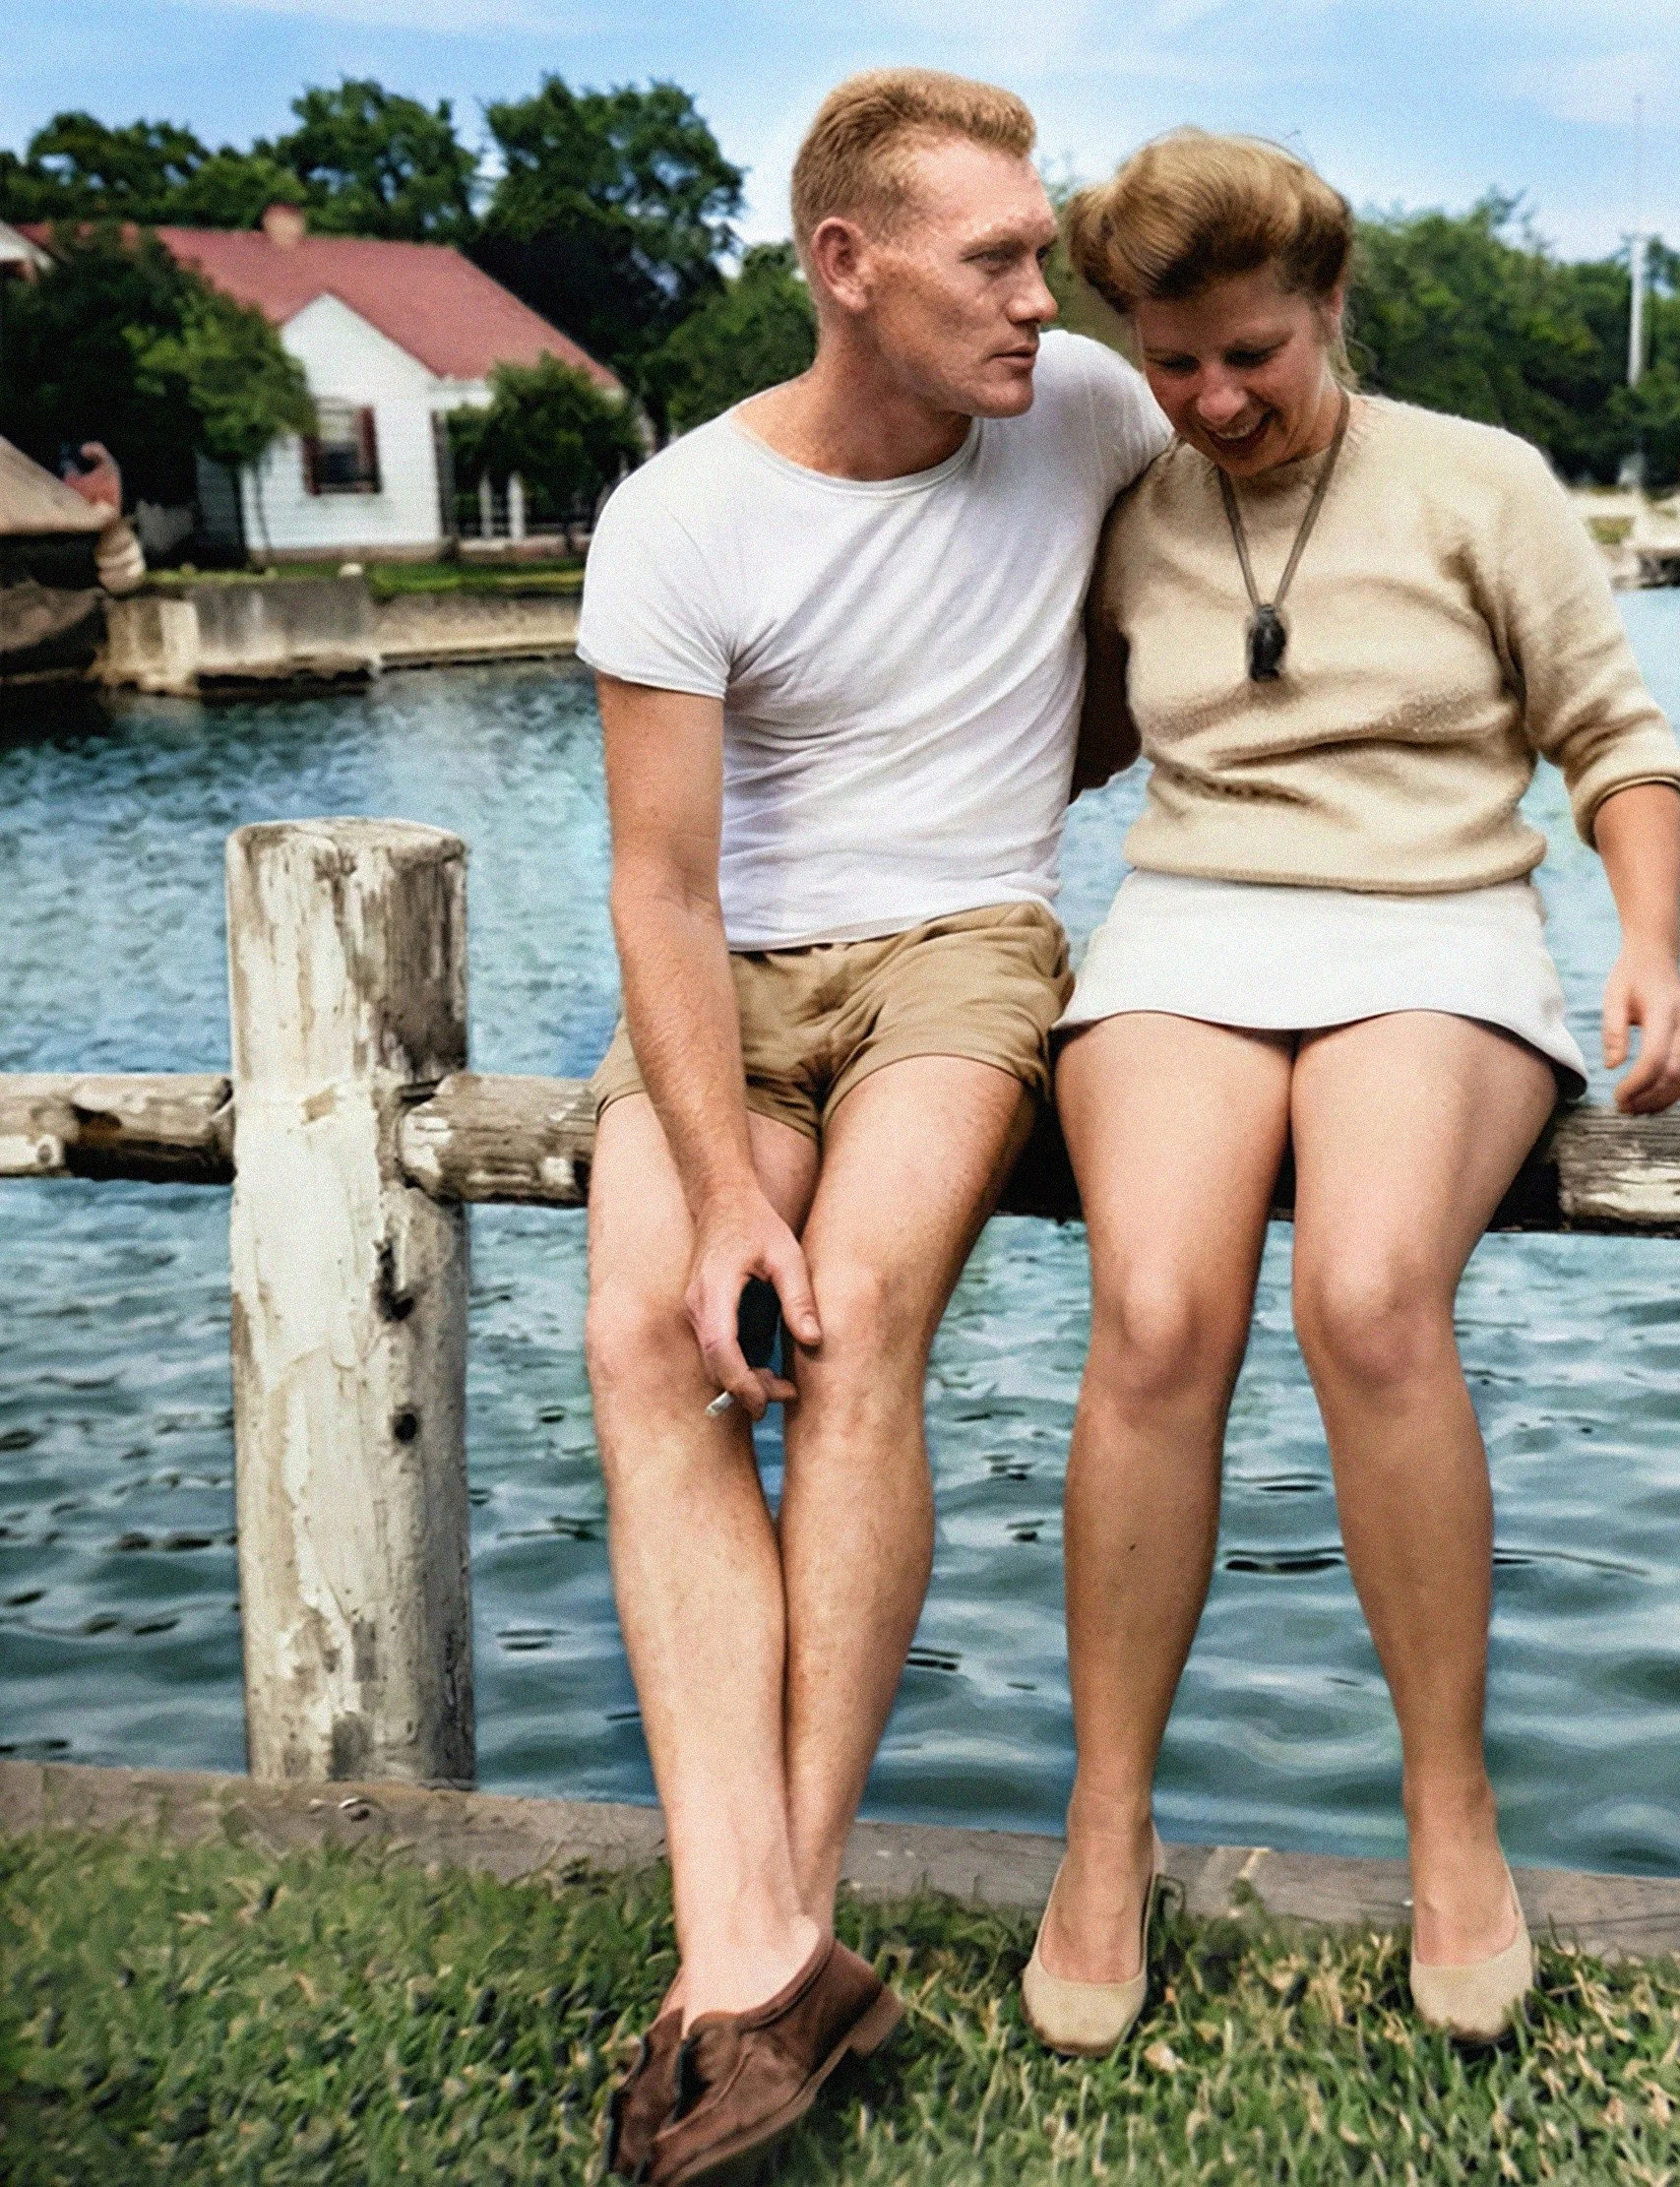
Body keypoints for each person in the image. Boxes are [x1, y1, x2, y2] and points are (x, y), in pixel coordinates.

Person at [1022, 132, 1680, 2054]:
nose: (1217, 401)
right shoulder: (1137, 507)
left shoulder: (1481, 482)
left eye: (1255, 353)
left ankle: (1450, 1818)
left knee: (1370, 1296)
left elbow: (1617, 741)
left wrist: (1645, 943)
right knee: (1156, 1313)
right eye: (1173, 365)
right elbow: (1044, 737)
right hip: (1191, 932)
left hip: (1439, 929)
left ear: (1332, 308)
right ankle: (1104, 1825)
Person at [576, 69, 1165, 2183]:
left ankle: (753, 1951)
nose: (1040, 293)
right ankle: (762, 1950)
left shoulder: (1093, 409)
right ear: (849, 268)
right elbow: (659, 885)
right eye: (996, 257)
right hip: (733, 971)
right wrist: (725, 1180)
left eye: (1043, 247)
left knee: (854, 1320)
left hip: (966, 947)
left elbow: (1216, 575)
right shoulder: (683, 517)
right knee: (656, 1332)